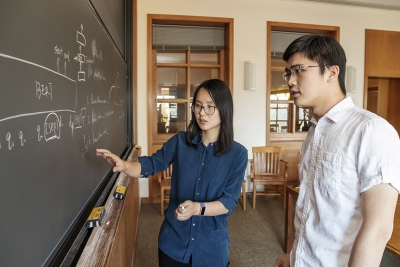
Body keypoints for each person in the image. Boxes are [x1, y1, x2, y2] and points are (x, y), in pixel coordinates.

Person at [274, 34, 400, 267]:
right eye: (288, 73)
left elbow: (378, 228)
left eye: (298, 70)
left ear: (332, 72)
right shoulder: (314, 131)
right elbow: (309, 206)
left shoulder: (371, 130)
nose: (290, 81)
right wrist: (291, 254)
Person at [96, 79, 248, 267]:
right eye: (198, 106)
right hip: (173, 243)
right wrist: (125, 165)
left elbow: (228, 202)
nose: (202, 113)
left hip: (212, 248)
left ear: (224, 109)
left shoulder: (238, 154)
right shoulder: (180, 141)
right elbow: (152, 164)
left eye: (210, 107)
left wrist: (197, 208)